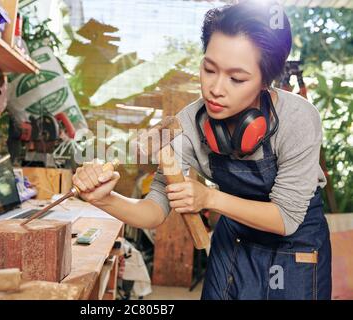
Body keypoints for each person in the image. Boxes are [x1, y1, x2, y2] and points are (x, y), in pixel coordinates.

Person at [71, 1, 331, 300]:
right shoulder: (187, 125)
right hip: (234, 241)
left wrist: (209, 197)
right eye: (209, 69)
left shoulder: (297, 119)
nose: (215, 89)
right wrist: (105, 200)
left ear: (264, 81)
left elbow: (286, 218)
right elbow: (154, 210)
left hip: (295, 244)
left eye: (237, 78)